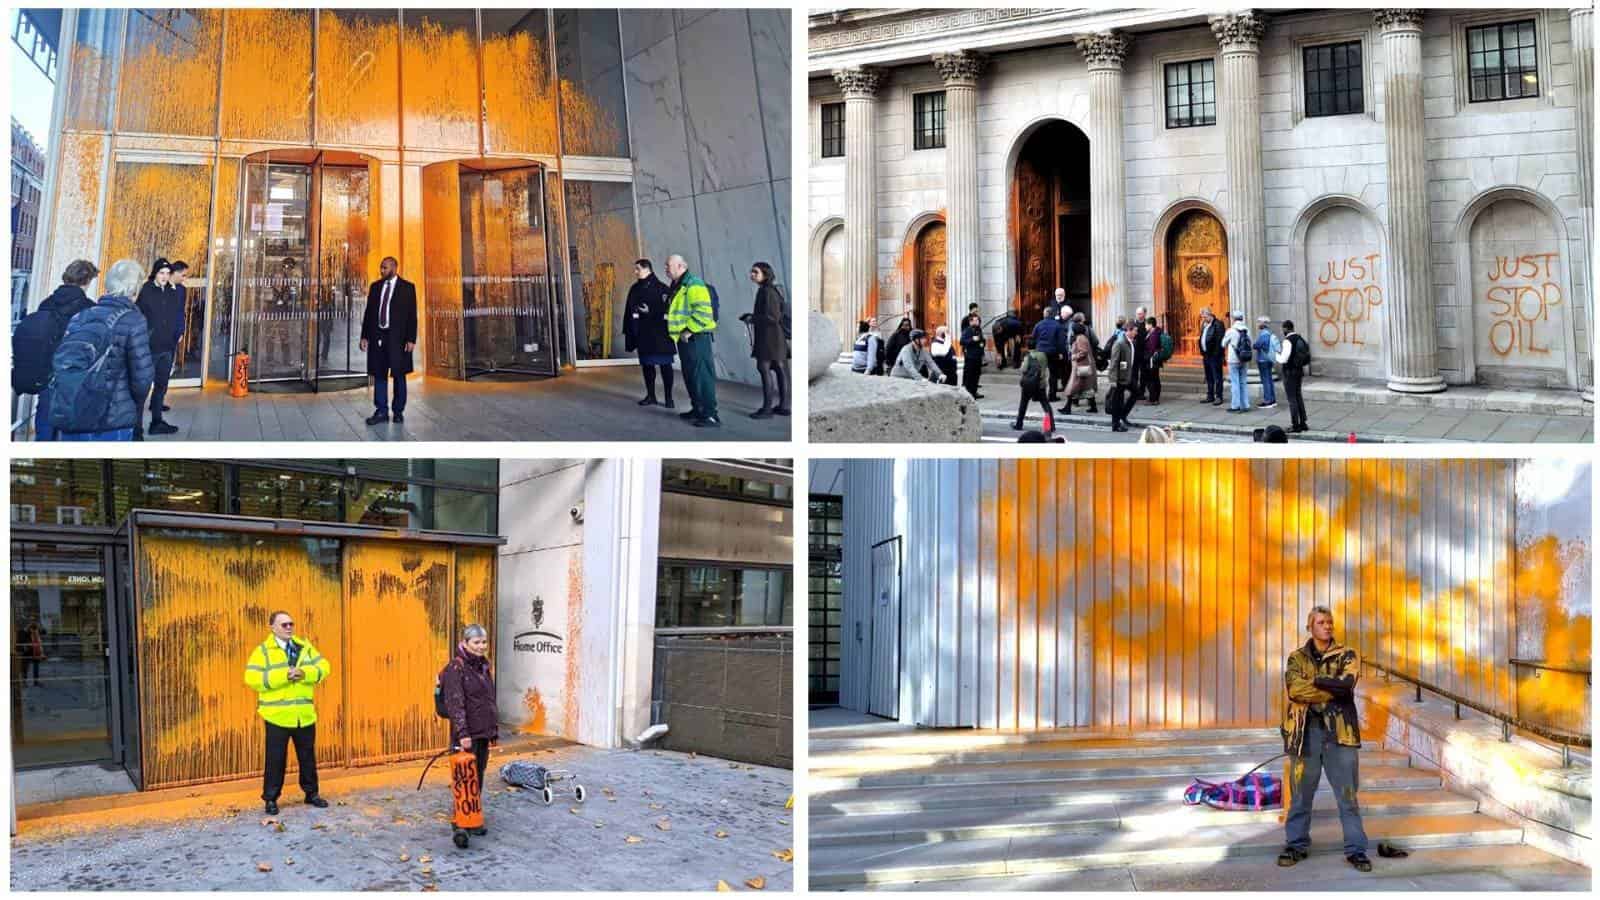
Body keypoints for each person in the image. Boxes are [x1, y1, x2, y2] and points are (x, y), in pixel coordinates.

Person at [1279, 605, 1370, 873]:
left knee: (1348, 795)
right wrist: (1328, 687)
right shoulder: (1296, 658)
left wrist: (1317, 682)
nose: (1327, 626)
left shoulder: (1347, 654)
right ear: (1310, 627)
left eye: (1330, 622)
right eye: (1321, 622)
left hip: (1340, 734)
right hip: (1304, 734)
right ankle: (1296, 845)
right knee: (1300, 795)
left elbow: (1346, 686)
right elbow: (1294, 690)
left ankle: (1356, 850)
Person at [48, 259, 154, 442]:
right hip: (111, 419)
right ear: (135, 288)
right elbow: (142, 379)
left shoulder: (81, 316)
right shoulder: (134, 320)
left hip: (73, 413)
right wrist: (130, 405)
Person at [244, 610, 332, 816]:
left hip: (304, 715)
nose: (289, 627)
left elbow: (324, 667)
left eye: (291, 624)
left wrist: (305, 673)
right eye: (284, 625)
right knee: (275, 759)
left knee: (307, 757)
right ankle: (271, 799)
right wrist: (284, 675)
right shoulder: (263, 651)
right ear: (272, 627)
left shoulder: (304, 647)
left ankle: (311, 794)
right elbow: (252, 678)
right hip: (277, 716)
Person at [13, 259, 98, 441]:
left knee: (44, 418)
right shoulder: (88, 308)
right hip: (73, 378)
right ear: (87, 281)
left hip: (47, 373)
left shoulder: (47, 302)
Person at [440, 623, 497, 839]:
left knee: (478, 776)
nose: (481, 646)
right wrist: (463, 733)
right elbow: (456, 703)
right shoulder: (456, 668)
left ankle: (472, 816)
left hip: (482, 732)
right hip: (466, 734)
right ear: (465, 643)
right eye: (476, 642)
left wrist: (492, 729)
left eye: (484, 642)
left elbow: (488, 699)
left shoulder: (483, 666)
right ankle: (460, 822)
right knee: (464, 777)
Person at [359, 256, 418, 426]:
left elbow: (411, 316)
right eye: (381, 267)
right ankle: (381, 411)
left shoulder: (407, 288)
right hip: (378, 337)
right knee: (379, 373)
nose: (382, 270)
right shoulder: (375, 287)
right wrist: (365, 336)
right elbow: (369, 313)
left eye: (385, 267)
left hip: (398, 339)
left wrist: (411, 339)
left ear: (394, 268)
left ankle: (398, 411)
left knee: (399, 374)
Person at [665, 254, 720, 428]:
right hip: (686, 339)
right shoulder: (679, 285)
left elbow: (703, 313)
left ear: (680, 266)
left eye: (668, 265)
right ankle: (698, 409)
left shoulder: (693, 284)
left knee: (702, 376)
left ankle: (710, 415)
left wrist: (688, 331)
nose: (666, 269)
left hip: (696, 338)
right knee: (691, 376)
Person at [134, 259, 182, 437]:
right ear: (155, 273)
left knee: (161, 386)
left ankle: (156, 421)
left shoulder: (171, 292)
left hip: (167, 347)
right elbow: (139, 316)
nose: (164, 276)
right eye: (161, 273)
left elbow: (176, 315)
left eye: (167, 273)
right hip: (150, 348)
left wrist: (175, 335)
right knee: (142, 388)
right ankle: (136, 428)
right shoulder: (146, 291)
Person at [623, 258, 675, 409]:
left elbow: (669, 311)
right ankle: (651, 395)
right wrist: (630, 332)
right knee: (647, 366)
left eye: (638, 269)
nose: (635, 272)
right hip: (643, 334)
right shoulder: (634, 288)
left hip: (661, 334)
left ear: (647, 269)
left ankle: (669, 398)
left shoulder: (662, 288)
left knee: (665, 365)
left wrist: (650, 312)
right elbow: (629, 311)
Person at [744, 261, 790, 418]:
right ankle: (783, 407)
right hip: (776, 338)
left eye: (755, 272)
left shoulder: (767, 292)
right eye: (752, 271)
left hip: (769, 339)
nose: (752, 274)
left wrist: (752, 318)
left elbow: (772, 317)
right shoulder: (772, 290)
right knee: (780, 370)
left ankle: (767, 409)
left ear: (765, 274)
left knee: (764, 369)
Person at [1279, 319, 1312, 433]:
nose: (1282, 330)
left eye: (1283, 328)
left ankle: (1295, 425)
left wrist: (1275, 355)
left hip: (1289, 373)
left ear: (1286, 328)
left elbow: (1284, 359)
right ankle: (1303, 423)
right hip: (1299, 371)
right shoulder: (1300, 338)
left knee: (1292, 399)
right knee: (1298, 397)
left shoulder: (1287, 341)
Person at [1014, 335, 1051, 431]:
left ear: (1027, 346)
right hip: (1041, 383)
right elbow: (1045, 366)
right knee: (1045, 405)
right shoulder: (1043, 355)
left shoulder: (1028, 357)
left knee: (1023, 404)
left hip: (1029, 384)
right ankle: (1052, 425)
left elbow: (1023, 369)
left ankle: (1019, 424)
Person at [1105, 316, 1135, 432]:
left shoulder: (1130, 342)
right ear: (1129, 330)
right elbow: (1114, 362)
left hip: (1127, 375)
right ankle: (1115, 425)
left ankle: (1122, 416)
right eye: (1135, 330)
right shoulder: (1120, 343)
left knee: (1135, 392)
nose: (1136, 332)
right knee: (1117, 401)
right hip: (1119, 378)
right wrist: (1113, 380)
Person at [1062, 321, 1099, 415]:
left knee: (1073, 387)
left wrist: (1074, 356)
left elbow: (1083, 352)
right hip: (1083, 366)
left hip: (1081, 366)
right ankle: (1093, 406)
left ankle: (1067, 408)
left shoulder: (1080, 339)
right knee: (1086, 388)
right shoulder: (1082, 337)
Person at [1030, 307, 1064, 400]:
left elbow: (1033, 338)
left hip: (1040, 352)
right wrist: (1061, 352)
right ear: (1053, 314)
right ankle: (1052, 396)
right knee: (1053, 375)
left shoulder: (1038, 324)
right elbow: (1061, 341)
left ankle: (1036, 396)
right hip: (1052, 352)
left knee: (1038, 374)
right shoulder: (1058, 325)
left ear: (1045, 314)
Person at [1225, 312, 1251, 412]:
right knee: (1243, 382)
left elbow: (1223, 343)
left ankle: (1235, 406)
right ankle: (1245, 405)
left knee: (1235, 383)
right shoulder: (1246, 330)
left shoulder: (1231, 330)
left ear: (1233, 319)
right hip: (1244, 358)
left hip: (1233, 359)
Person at [1198, 307, 1225, 405]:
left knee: (1217, 377)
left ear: (1209, 315)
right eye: (1202, 317)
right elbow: (1202, 338)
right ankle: (1210, 396)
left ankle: (1219, 396)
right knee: (1209, 376)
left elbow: (1219, 341)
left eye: (1204, 316)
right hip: (1206, 355)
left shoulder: (1218, 324)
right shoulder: (1205, 325)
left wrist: (1217, 355)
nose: (1203, 318)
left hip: (1214, 356)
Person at [1254, 316, 1281, 409]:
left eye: (1259, 322)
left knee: (1266, 381)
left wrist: (1255, 344)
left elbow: (1256, 345)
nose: (1257, 324)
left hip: (1263, 360)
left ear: (1263, 324)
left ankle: (1268, 401)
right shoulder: (1269, 333)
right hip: (1268, 359)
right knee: (1269, 380)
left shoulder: (1263, 334)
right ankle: (1272, 400)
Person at [959, 313, 985, 400]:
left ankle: (974, 391)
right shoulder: (967, 330)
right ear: (970, 322)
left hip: (978, 356)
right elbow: (962, 341)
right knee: (969, 375)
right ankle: (968, 393)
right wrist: (972, 340)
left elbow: (982, 340)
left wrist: (982, 343)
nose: (977, 322)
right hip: (970, 357)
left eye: (978, 320)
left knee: (977, 375)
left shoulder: (979, 330)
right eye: (975, 320)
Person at [1144, 314, 1169, 406]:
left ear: (1151, 325)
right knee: (1155, 379)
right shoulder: (1155, 332)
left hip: (1152, 361)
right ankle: (1155, 398)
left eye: (1146, 324)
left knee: (1152, 380)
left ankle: (1153, 399)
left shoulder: (1154, 334)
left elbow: (1151, 349)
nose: (1145, 326)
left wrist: (1145, 356)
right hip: (1154, 360)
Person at [16, 620, 44, 687]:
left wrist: (40, 627)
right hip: (26, 652)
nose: (34, 631)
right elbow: (20, 642)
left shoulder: (35, 630)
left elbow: (44, 632)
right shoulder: (22, 632)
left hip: (35, 651)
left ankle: (36, 681)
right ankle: (24, 682)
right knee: (25, 667)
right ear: (29, 628)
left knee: (36, 666)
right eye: (32, 630)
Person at [1130, 307, 1150, 400]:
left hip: (1144, 353)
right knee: (1134, 373)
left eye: (1140, 313)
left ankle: (1141, 392)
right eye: (1137, 313)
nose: (1138, 315)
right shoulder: (1133, 323)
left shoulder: (1147, 324)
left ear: (1144, 314)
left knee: (1143, 374)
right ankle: (1134, 392)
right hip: (1135, 353)